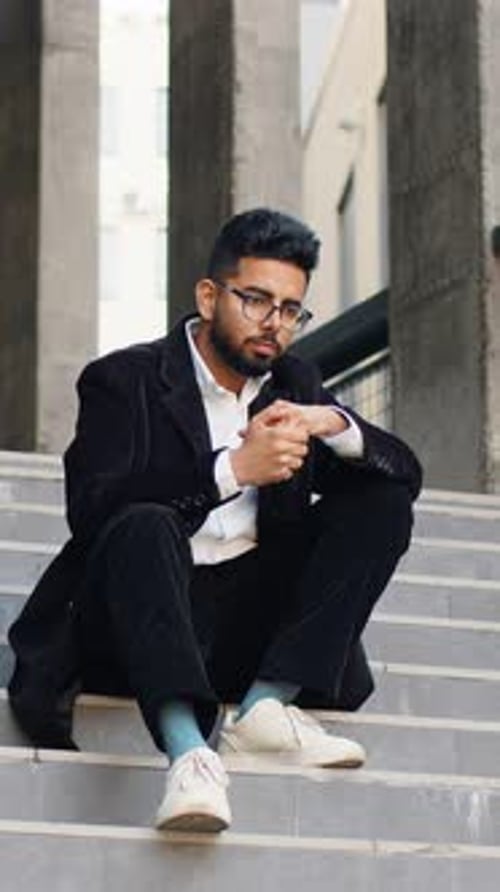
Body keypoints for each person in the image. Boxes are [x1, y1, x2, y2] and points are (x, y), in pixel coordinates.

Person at [8, 208, 422, 834]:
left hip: (239, 633)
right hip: (133, 621)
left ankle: (263, 711)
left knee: (381, 500)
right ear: (209, 295)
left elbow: (404, 474)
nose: (273, 324)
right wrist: (232, 468)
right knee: (142, 522)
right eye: (256, 300)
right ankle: (191, 755)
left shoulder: (295, 383)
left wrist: (333, 425)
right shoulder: (126, 380)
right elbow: (92, 511)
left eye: (290, 309)